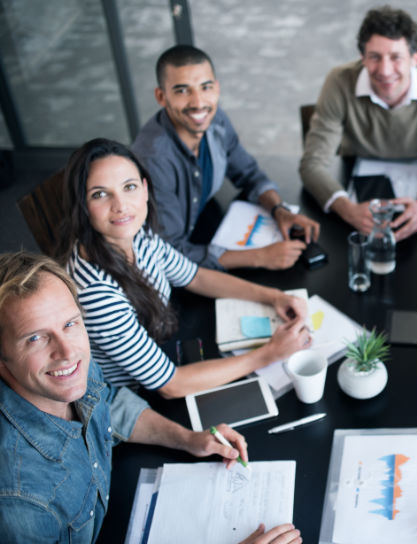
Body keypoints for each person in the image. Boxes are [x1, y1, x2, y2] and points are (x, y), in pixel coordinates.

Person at [0, 251, 301, 544]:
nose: (68, 352)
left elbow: (108, 402)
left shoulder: (72, 370)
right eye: (36, 338)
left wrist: (187, 438)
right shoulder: (20, 500)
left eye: (70, 323)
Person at [59, 138, 312, 399]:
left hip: (163, 345)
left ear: (145, 189)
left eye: (129, 187)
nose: (121, 205)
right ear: (83, 206)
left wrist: (274, 297)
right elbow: (171, 385)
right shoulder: (96, 292)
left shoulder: (137, 236)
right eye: (100, 194)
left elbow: (196, 276)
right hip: (136, 398)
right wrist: (270, 353)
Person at [299, 5, 417, 241]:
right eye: (374, 57)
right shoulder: (339, 81)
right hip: (356, 185)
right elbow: (312, 164)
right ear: (363, 57)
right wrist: (347, 209)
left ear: (415, 58)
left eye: (396, 57)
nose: (385, 71)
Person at [131, 45, 320, 271]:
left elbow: (249, 174)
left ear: (217, 88)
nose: (199, 102)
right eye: (182, 91)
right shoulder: (153, 160)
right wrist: (259, 257)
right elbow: (171, 254)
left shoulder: (215, 119)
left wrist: (279, 210)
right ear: (161, 97)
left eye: (206, 87)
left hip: (207, 226)